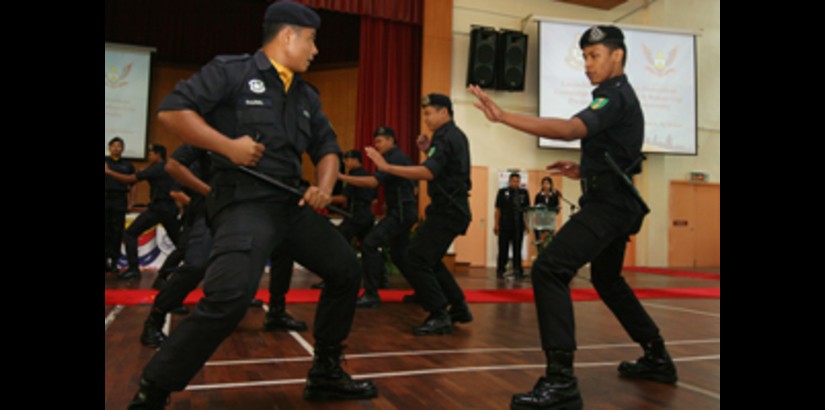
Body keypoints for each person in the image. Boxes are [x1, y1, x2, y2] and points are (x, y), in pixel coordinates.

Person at [127, 2, 377, 407]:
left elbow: (327, 148)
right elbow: (171, 111)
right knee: (229, 299)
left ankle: (326, 372)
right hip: (245, 203)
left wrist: (325, 187)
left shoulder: (308, 96)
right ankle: (153, 388)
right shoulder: (233, 71)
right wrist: (227, 146)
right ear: (288, 35)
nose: (316, 51)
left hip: (289, 206)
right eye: (312, 40)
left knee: (346, 268)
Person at [469, 25, 677, 410]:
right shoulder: (613, 97)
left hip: (610, 207)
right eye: (584, 56)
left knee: (549, 269)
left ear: (617, 56)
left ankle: (561, 379)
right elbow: (620, 154)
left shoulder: (613, 97)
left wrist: (503, 116)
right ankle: (657, 355)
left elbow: (568, 129)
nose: (586, 64)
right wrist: (584, 170)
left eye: (593, 55)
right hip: (615, 200)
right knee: (607, 279)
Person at [140, 144, 307, 348]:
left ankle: (276, 312)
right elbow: (173, 166)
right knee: (196, 265)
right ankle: (155, 318)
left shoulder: (260, 136)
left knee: (284, 249)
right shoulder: (208, 129)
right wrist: (210, 192)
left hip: (254, 208)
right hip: (210, 209)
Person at [364, 93, 473, 336]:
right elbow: (444, 168)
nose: (425, 118)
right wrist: (426, 151)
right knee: (429, 258)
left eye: (428, 113)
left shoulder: (446, 137)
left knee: (415, 257)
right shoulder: (448, 137)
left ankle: (438, 313)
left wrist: (387, 167)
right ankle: (458, 307)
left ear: (444, 112)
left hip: (448, 210)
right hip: (450, 209)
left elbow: (428, 173)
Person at [338, 128, 417, 308]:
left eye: (380, 141)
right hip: (402, 211)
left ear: (391, 140)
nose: (377, 145)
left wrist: (341, 176)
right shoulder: (394, 158)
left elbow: (373, 182)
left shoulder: (393, 158)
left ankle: (372, 293)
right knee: (399, 254)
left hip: (401, 213)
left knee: (370, 243)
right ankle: (422, 290)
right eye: (376, 142)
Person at [106, 144, 181, 280]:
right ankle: (192, 268)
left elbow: (130, 180)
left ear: (158, 155)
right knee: (181, 243)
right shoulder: (169, 167)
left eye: (151, 154)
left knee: (130, 233)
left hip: (158, 208)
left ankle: (134, 269)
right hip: (170, 209)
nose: (149, 156)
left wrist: (109, 172)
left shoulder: (156, 169)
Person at [105, 137, 135, 273]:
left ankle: (114, 261)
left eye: (119, 146)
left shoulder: (128, 165)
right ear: (109, 147)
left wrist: (131, 201)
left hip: (119, 200)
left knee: (117, 231)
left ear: (122, 148)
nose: (116, 148)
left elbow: (133, 185)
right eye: (114, 146)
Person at [495, 172, 530, 279]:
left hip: (518, 225)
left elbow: (526, 211)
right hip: (505, 224)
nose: (516, 183)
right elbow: (498, 209)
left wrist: (526, 224)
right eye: (513, 181)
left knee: (517, 248)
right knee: (503, 248)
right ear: (509, 181)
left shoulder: (524, 193)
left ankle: (518, 269)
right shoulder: (502, 192)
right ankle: (501, 269)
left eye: (518, 181)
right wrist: (496, 224)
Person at [533, 177, 561, 252]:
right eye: (544, 183)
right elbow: (535, 209)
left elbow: (557, 209)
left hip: (550, 221)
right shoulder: (538, 196)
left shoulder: (554, 196)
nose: (546, 185)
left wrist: (554, 211)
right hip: (540, 221)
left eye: (547, 183)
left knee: (549, 241)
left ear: (551, 185)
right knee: (541, 241)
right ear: (541, 185)